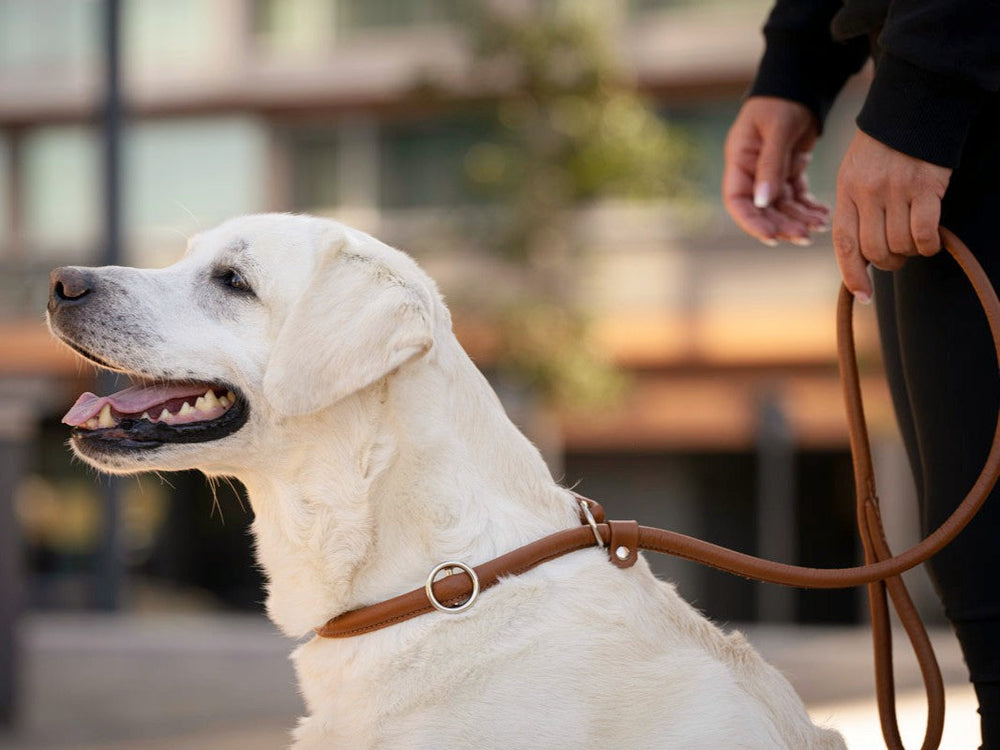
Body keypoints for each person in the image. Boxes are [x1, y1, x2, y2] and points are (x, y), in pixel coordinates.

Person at [722, 0, 1000, 745]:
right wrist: (797, 61)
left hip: (965, 95)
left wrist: (922, 88)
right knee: (981, 576)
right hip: (954, 121)